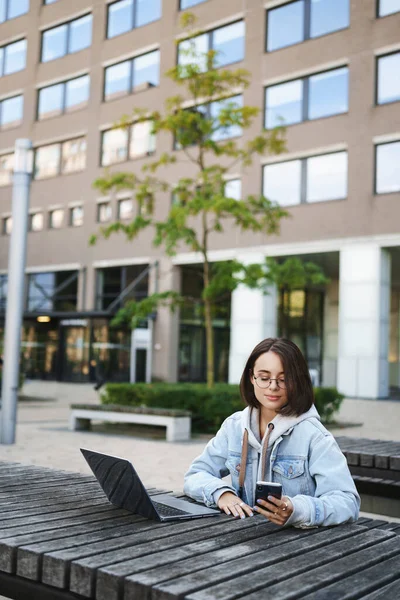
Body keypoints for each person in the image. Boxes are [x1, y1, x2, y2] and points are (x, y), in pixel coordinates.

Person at [184, 337, 360, 528]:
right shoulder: (234, 427)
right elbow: (195, 475)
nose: (273, 386)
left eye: (283, 379)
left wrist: (297, 509)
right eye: (264, 378)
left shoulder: (314, 436)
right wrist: (221, 494)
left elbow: (347, 502)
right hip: (241, 539)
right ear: (252, 377)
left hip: (301, 547)